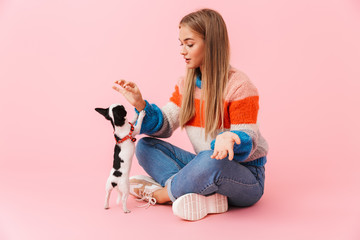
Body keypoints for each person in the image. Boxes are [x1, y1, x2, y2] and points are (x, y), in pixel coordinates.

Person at [112, 8, 268, 221]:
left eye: (190, 44)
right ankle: (203, 195)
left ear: (211, 44)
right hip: (206, 166)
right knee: (146, 146)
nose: (182, 51)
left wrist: (230, 138)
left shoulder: (239, 85)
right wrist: (140, 104)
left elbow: (248, 134)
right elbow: (165, 123)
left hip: (246, 178)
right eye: (181, 44)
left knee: (209, 160)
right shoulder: (186, 84)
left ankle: (165, 194)